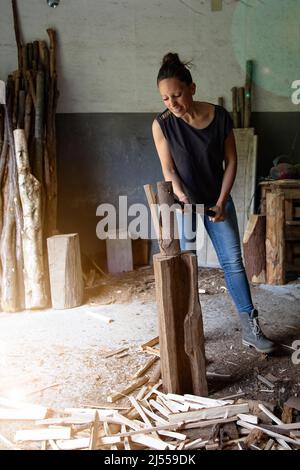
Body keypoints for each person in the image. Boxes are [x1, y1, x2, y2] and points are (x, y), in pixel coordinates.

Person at [152, 52, 275, 354]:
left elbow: (231, 160)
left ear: (192, 88)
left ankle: (250, 328)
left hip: (218, 202)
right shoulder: (162, 125)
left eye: (177, 95)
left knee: (233, 263)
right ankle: (190, 331)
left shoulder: (219, 116)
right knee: (187, 265)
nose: (173, 104)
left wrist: (221, 202)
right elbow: (168, 170)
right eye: (166, 99)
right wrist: (181, 196)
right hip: (185, 205)